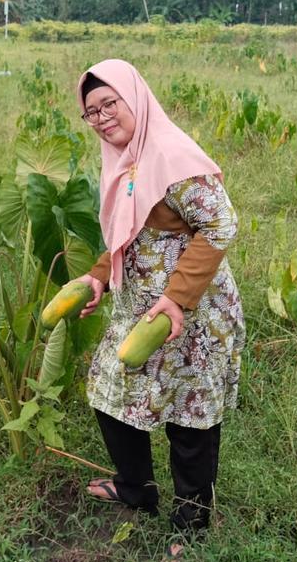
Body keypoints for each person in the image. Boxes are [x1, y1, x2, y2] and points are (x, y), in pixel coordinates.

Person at [71, 59, 245, 533]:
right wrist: (99, 276)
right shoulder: (125, 159)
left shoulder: (171, 155)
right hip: (139, 309)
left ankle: (192, 523)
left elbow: (221, 224)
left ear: (136, 100)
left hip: (192, 312)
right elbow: (126, 233)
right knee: (110, 391)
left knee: (190, 419)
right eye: (92, 111)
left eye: (111, 103)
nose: (103, 117)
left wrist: (177, 298)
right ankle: (136, 488)